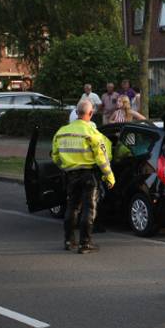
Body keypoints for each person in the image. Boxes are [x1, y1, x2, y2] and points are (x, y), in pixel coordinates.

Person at [52, 100, 115, 254]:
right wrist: (109, 177)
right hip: (88, 175)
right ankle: (85, 244)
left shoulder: (61, 132)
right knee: (89, 208)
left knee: (72, 207)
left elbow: (55, 157)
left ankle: (69, 241)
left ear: (76, 112)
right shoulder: (92, 133)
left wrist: (66, 166)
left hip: (71, 175)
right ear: (91, 113)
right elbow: (102, 159)